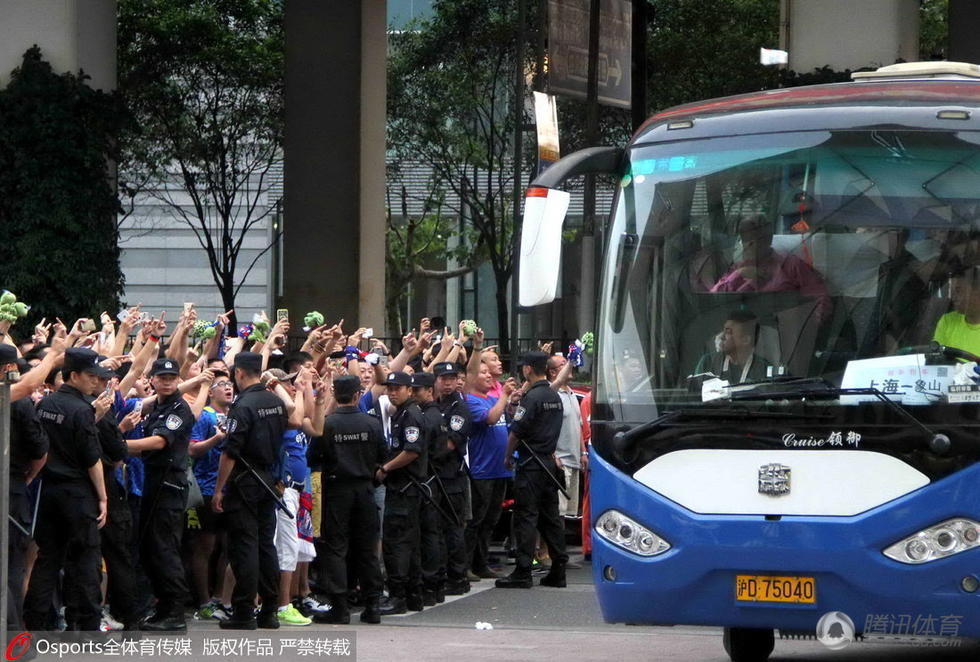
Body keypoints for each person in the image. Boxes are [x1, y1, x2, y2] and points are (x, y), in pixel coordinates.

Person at [24, 347, 109, 631]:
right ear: (73, 375)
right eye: (91, 376)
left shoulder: (44, 405)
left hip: (48, 491)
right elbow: (92, 459)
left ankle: (35, 623)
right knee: (86, 559)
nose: (95, 382)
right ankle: (85, 626)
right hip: (77, 492)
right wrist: (103, 497)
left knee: (47, 559)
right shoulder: (82, 409)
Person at [213, 351, 289, 630]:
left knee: (245, 547)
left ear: (239, 373)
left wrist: (220, 489)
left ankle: (244, 610)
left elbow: (230, 453)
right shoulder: (276, 402)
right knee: (266, 545)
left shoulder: (242, 406)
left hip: (244, 482)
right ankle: (269, 609)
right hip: (268, 480)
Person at [307, 375, 387, 624]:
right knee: (367, 549)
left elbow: (313, 458)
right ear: (357, 395)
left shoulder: (328, 424)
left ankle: (339, 607)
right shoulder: (372, 424)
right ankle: (372, 604)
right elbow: (383, 455)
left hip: (337, 489)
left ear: (335, 394)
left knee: (336, 549)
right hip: (364, 489)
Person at [124, 357, 196, 631]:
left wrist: (120, 444)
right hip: (155, 481)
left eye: (171, 378)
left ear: (178, 380)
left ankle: (174, 612)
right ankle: (163, 606)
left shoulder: (179, 408)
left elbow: (159, 441)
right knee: (152, 547)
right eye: (161, 377)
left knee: (165, 547)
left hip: (169, 484)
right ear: (152, 379)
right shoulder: (157, 405)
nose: (166, 382)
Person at [496, 351, 569, 590]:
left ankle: (523, 570)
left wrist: (507, 456)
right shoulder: (553, 396)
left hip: (531, 464)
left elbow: (517, 430)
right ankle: (559, 567)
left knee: (526, 517)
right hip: (548, 462)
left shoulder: (533, 397)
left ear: (528, 369)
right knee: (550, 518)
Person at [3, 344, 48, 634]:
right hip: (12, 490)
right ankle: (11, 633)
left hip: (14, 484)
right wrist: (55, 354)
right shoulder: (18, 401)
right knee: (10, 567)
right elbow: (40, 450)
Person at [376, 371, 428, 615]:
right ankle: (412, 595)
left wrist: (386, 467)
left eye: (397, 388)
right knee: (408, 544)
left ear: (409, 390)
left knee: (397, 545)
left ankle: (399, 596)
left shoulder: (411, 415)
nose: (392, 392)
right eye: (390, 388)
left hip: (405, 488)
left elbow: (412, 450)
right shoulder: (401, 413)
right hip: (403, 488)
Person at [464, 332, 515, 581]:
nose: (487, 376)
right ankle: (465, 565)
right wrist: (505, 396)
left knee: (491, 520)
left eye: (488, 373)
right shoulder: (471, 401)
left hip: (500, 469)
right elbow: (491, 418)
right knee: (475, 520)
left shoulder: (493, 397)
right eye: (481, 373)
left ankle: (481, 562)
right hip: (481, 469)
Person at [711, 215, 829, 319]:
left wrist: (805, 328)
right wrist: (739, 274)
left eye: (757, 240)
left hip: (782, 331)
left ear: (769, 239)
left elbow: (821, 300)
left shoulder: (790, 265)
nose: (750, 247)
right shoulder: (736, 270)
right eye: (747, 241)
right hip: (742, 333)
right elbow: (712, 300)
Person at [188, 375, 234, 622]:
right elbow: (192, 448)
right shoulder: (204, 415)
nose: (228, 388)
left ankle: (220, 596)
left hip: (230, 488)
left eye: (230, 385)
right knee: (205, 546)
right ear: (211, 392)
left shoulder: (235, 415)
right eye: (222, 386)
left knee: (228, 545)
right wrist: (216, 438)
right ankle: (204, 601)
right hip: (206, 487)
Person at [432, 361, 471, 596]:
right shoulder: (434, 405)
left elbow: (450, 442)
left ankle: (458, 577)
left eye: (451, 378)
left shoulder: (459, 407)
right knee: (437, 528)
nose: (447, 383)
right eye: (443, 378)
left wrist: (425, 452)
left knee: (453, 528)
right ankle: (443, 573)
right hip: (435, 476)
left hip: (451, 475)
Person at [546, 355, 587, 520]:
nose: (570, 366)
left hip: (574, 461)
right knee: (555, 512)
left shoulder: (571, 393)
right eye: (564, 364)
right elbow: (545, 427)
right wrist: (552, 454)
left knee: (566, 513)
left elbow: (578, 425)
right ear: (553, 372)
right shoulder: (551, 394)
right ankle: (544, 547)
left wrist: (583, 453)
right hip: (560, 463)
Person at [693, 310, 773, 384]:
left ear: (745, 340)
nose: (721, 336)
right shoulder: (707, 363)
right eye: (723, 330)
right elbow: (695, 395)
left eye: (728, 332)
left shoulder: (765, 369)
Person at [933, 265, 980, 358]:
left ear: (977, 291)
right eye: (951, 291)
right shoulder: (947, 321)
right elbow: (936, 359)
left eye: (958, 290)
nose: (952, 297)